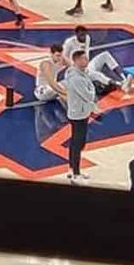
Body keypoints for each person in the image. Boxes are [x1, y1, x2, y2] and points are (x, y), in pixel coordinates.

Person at [55, 49, 98, 183]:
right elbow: (88, 95)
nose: (87, 61)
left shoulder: (80, 73)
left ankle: (72, 169)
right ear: (77, 60)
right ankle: (76, 174)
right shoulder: (76, 78)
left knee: (77, 143)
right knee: (77, 144)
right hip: (78, 114)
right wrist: (92, 90)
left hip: (80, 112)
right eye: (84, 59)